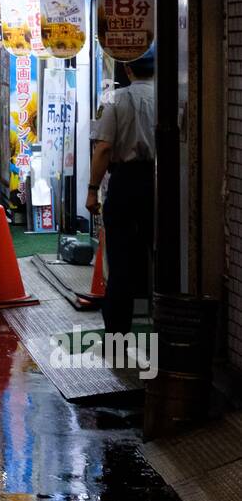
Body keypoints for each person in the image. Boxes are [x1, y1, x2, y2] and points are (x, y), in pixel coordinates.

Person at [85, 48, 155, 334]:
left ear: (127, 70)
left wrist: (92, 190)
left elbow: (103, 148)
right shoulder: (171, 96)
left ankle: (118, 330)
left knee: (121, 256)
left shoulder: (114, 99)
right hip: (158, 182)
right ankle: (161, 321)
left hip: (125, 182)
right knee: (154, 251)